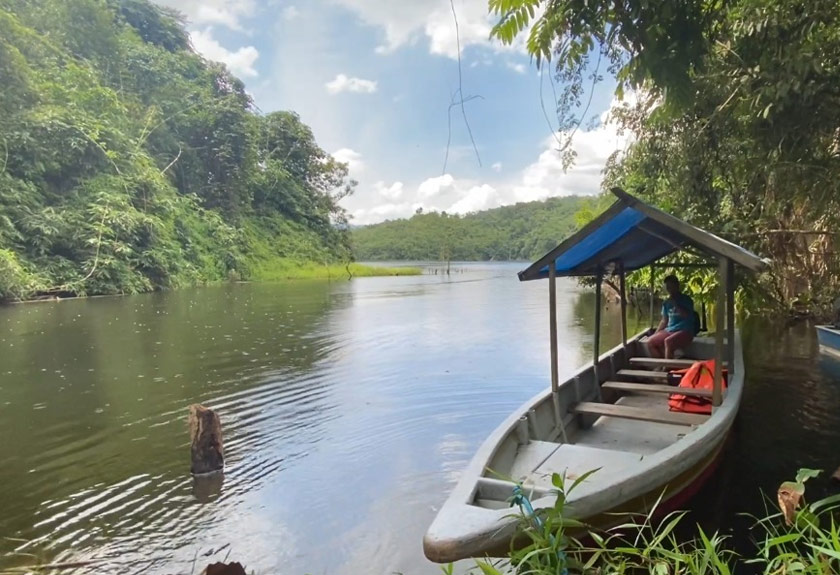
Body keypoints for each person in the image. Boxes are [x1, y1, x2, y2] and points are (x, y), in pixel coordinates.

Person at [647, 274, 695, 359]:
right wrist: (655, 333)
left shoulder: (687, 300)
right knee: (650, 342)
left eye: (671, 287)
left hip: (685, 330)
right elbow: (664, 321)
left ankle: (667, 369)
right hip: (670, 330)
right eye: (668, 287)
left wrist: (675, 304)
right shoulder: (666, 303)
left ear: (677, 286)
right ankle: (661, 365)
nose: (670, 290)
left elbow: (686, 315)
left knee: (668, 341)